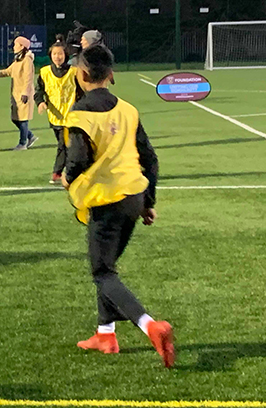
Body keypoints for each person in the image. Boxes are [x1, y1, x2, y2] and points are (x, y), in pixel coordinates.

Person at [61, 45, 174, 368]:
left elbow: (79, 157)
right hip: (133, 197)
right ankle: (105, 334)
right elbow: (149, 158)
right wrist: (148, 202)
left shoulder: (79, 114)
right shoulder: (128, 110)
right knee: (108, 264)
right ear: (111, 75)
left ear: (81, 76)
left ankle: (150, 325)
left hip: (106, 200)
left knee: (103, 272)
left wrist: (69, 177)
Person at [35, 34, 82, 184]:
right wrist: (40, 103)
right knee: (66, 145)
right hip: (54, 116)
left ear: (65, 55)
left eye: (60, 54)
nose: (57, 57)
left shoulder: (74, 71)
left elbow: (81, 91)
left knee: (64, 144)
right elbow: (39, 91)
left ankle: (57, 173)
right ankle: (74, 170)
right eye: (54, 54)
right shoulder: (44, 72)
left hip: (71, 115)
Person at [0, 36, 36, 151]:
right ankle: (30, 136)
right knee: (15, 118)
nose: (13, 47)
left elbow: (28, 78)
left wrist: (25, 92)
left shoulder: (27, 60)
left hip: (25, 94)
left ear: (22, 46)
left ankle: (23, 143)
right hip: (16, 94)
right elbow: (9, 71)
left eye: (15, 44)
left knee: (23, 119)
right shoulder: (18, 60)